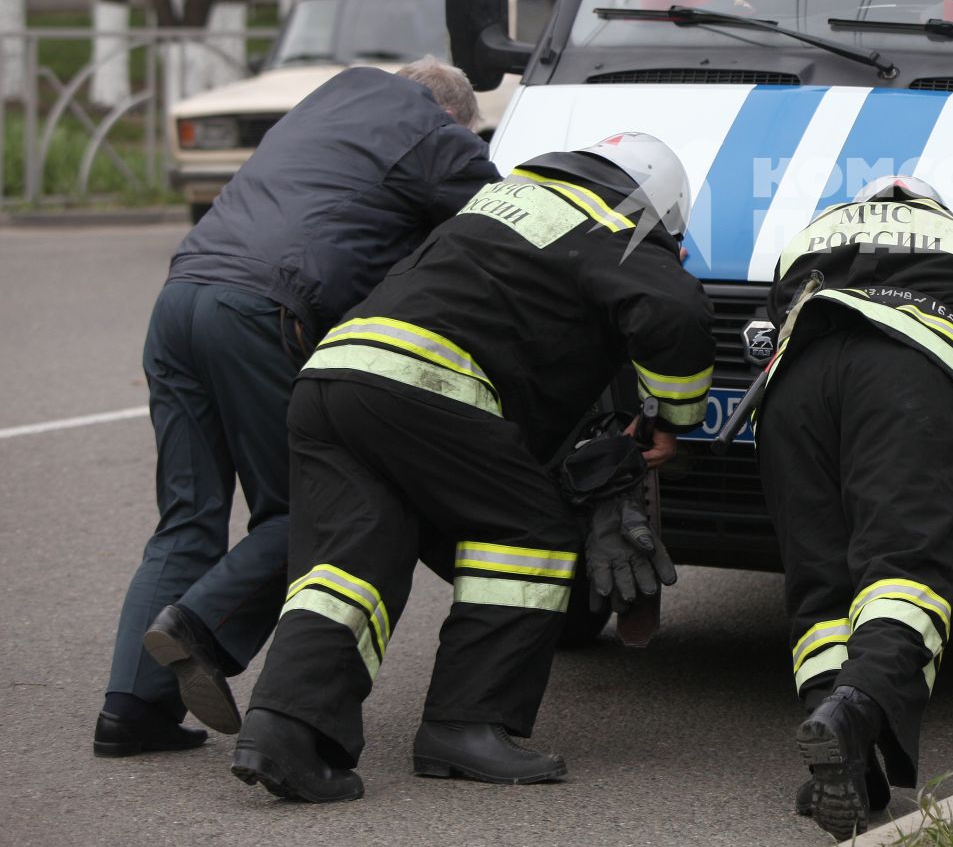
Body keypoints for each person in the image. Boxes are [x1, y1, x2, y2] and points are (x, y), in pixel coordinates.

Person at [228, 133, 713, 803]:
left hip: (333, 383)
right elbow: (675, 308)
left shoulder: (498, 202)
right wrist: (671, 418)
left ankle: (283, 729)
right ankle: (466, 724)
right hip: (422, 387)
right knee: (531, 535)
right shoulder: (614, 222)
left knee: (349, 564)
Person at [97, 58, 496, 759]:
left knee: (188, 516)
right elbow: (504, 229)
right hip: (260, 310)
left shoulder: (330, 100)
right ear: (458, 118)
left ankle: (131, 711)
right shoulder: (435, 133)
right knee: (310, 510)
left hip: (182, 297)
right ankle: (199, 627)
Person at [751, 177, 953, 839]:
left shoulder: (811, 236)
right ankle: (855, 709)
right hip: (907, 377)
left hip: (795, 386)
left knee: (821, 582)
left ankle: (848, 759)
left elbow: (777, 304)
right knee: (904, 567)